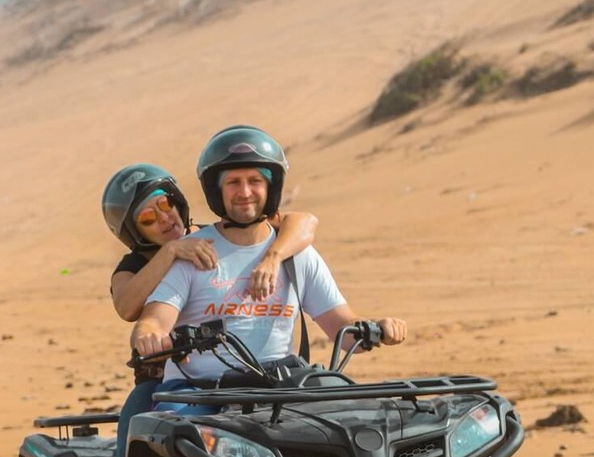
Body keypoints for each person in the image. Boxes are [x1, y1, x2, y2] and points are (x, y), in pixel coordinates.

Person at [100, 160, 319, 457]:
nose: (165, 218)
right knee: (130, 454)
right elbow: (127, 306)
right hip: (166, 386)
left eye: (167, 205)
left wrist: (273, 255)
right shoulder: (135, 265)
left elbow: (303, 223)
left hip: (255, 377)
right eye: (148, 217)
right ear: (132, 233)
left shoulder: (223, 231)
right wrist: (173, 251)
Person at [131, 125, 407, 405]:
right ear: (217, 190)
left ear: (271, 187)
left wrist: (378, 328)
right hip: (199, 392)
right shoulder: (195, 252)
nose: (245, 191)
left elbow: (344, 332)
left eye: (255, 180)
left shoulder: (299, 255)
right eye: (233, 182)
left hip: (278, 388)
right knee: (179, 430)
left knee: (350, 418)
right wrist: (149, 335)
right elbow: (154, 319)